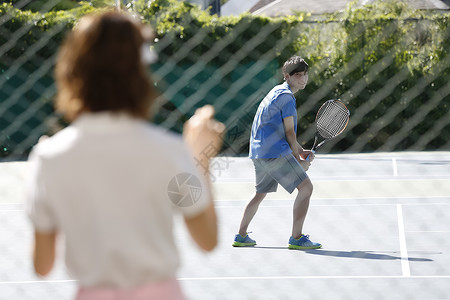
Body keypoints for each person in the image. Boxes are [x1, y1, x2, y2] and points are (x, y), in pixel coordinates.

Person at [26, 10, 225, 300]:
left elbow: (42, 265)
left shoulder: (49, 157)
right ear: (139, 74)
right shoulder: (168, 151)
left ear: (74, 71)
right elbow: (207, 239)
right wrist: (200, 158)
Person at [232, 56, 322, 250]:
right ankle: (297, 238)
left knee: (259, 194)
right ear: (287, 76)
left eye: (305, 74)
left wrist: (299, 150)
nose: (303, 79)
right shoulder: (287, 98)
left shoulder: (276, 91)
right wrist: (298, 159)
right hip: (274, 152)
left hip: (258, 151)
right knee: (306, 188)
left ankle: (241, 235)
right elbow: (289, 131)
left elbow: (279, 129)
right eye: (298, 75)